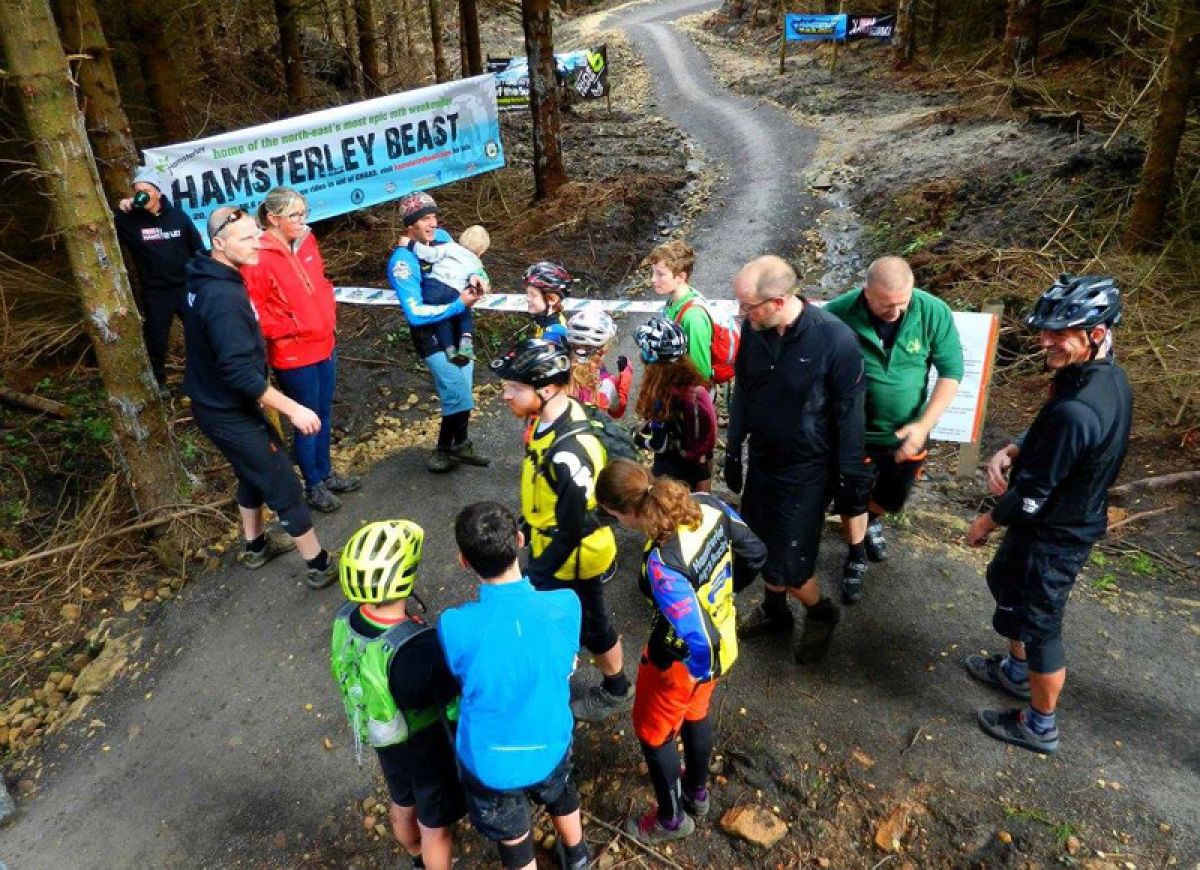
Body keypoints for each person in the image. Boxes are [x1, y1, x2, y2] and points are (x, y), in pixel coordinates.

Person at [964, 275, 1130, 755]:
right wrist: (1013, 448)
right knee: (1006, 582)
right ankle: (1015, 673)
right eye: (1044, 330)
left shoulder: (1080, 409)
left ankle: (1040, 725)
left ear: (1096, 333)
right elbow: (1048, 424)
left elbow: (1032, 495)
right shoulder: (1099, 375)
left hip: (1057, 532)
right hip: (1051, 520)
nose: (1045, 342)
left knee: (1041, 626)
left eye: (1060, 333)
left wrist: (987, 522)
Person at [596, 459, 766, 845]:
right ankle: (696, 791)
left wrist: (696, 669)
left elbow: (698, 639)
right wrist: (724, 591)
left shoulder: (661, 564)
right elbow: (756, 552)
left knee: (654, 736)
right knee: (696, 712)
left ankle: (672, 820)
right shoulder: (707, 503)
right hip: (724, 636)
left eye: (610, 515)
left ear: (625, 513)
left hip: (681, 660)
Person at [724, 255, 869, 664]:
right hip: (764, 461)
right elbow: (744, 392)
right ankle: (774, 613)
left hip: (808, 469)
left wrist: (851, 481)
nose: (741, 313)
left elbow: (851, 414)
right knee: (757, 541)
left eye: (748, 305)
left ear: (779, 299)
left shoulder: (834, 340)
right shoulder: (756, 330)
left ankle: (820, 612)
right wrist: (734, 450)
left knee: (791, 560)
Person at [182, 206, 336, 588]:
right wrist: (292, 407)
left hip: (223, 401)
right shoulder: (221, 297)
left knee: (250, 470)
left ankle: (255, 545)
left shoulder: (211, 274)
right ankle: (318, 564)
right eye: (246, 239)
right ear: (218, 244)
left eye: (256, 234)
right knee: (281, 479)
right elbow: (236, 371)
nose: (257, 244)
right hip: (224, 408)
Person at [439, 502, 591, 870]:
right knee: (562, 794)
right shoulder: (565, 605)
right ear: (520, 540)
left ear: (464, 560)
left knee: (512, 833)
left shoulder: (453, 626)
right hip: (551, 742)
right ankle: (578, 856)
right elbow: (566, 661)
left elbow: (460, 675)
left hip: (491, 761)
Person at [490, 338, 634, 721]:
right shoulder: (548, 418)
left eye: (514, 388)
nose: (505, 395)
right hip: (553, 541)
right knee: (587, 618)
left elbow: (572, 526)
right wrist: (528, 523)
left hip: (574, 555)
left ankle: (616, 689)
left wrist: (539, 571)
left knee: (591, 621)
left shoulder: (570, 450)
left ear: (548, 388)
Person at [824, 256, 962, 603]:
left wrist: (923, 425)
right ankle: (855, 555)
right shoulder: (837, 313)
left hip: (908, 432)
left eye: (903, 303)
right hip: (853, 432)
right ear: (866, 292)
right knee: (851, 494)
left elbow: (950, 373)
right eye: (886, 305)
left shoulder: (933, 312)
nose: (895, 312)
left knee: (894, 496)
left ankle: (872, 520)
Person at [330, 520, 465, 870]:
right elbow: (451, 699)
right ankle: (431, 858)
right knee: (436, 828)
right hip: (426, 750)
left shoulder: (345, 617)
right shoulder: (419, 648)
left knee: (402, 803)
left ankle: (416, 859)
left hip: (385, 739)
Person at [240, 186, 360, 514]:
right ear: (274, 218)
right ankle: (313, 485)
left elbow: (320, 282)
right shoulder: (258, 256)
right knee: (306, 419)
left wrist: (328, 316)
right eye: (294, 216)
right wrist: (292, 328)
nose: (302, 221)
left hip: (324, 342)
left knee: (323, 411)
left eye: (304, 213)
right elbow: (255, 314)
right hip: (294, 352)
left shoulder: (306, 240)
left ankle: (326, 472)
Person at [387, 192, 490, 474]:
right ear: (410, 225)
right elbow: (415, 313)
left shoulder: (443, 237)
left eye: (434, 217)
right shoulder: (403, 262)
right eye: (425, 219)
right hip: (431, 334)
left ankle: (462, 444)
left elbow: (469, 263)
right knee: (455, 392)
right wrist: (458, 304)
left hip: (460, 327)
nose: (433, 224)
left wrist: (477, 278)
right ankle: (444, 448)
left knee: (463, 388)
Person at [114, 166, 207, 392]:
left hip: (185, 286)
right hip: (156, 291)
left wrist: (202, 278)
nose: (141, 195)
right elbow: (106, 228)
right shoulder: (131, 221)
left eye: (145, 190)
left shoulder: (177, 217)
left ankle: (205, 377)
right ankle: (158, 382)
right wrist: (121, 209)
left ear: (158, 193)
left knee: (201, 332)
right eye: (137, 191)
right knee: (156, 339)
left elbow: (198, 249)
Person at [632, 318, 717, 493]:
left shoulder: (663, 397)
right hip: (700, 467)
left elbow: (659, 445)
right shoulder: (694, 386)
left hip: (674, 472)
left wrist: (637, 438)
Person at [405, 224, 491, 366]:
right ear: (482, 252)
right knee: (464, 309)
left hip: (433, 287)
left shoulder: (450, 247)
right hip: (454, 291)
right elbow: (484, 281)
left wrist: (410, 244)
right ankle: (466, 341)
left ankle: (448, 348)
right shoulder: (477, 264)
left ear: (461, 240)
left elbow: (430, 254)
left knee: (441, 317)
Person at [564, 309, 632, 418]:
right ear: (604, 349)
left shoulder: (558, 368)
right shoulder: (606, 385)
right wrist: (625, 377)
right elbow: (616, 411)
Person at [523, 261, 572, 338]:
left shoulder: (555, 331)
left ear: (552, 299)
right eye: (527, 294)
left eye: (533, 295)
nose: (527, 299)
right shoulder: (545, 321)